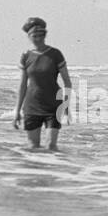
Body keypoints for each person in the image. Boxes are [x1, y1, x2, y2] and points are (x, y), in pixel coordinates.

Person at [14, 17, 71, 151]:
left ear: (45, 35)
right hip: (32, 106)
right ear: (29, 37)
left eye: (41, 35)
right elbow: (22, 85)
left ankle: (54, 170)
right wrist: (17, 110)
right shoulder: (26, 56)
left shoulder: (55, 54)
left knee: (51, 145)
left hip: (53, 106)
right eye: (34, 36)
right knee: (33, 147)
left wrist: (66, 106)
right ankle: (36, 171)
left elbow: (67, 81)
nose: (38, 38)